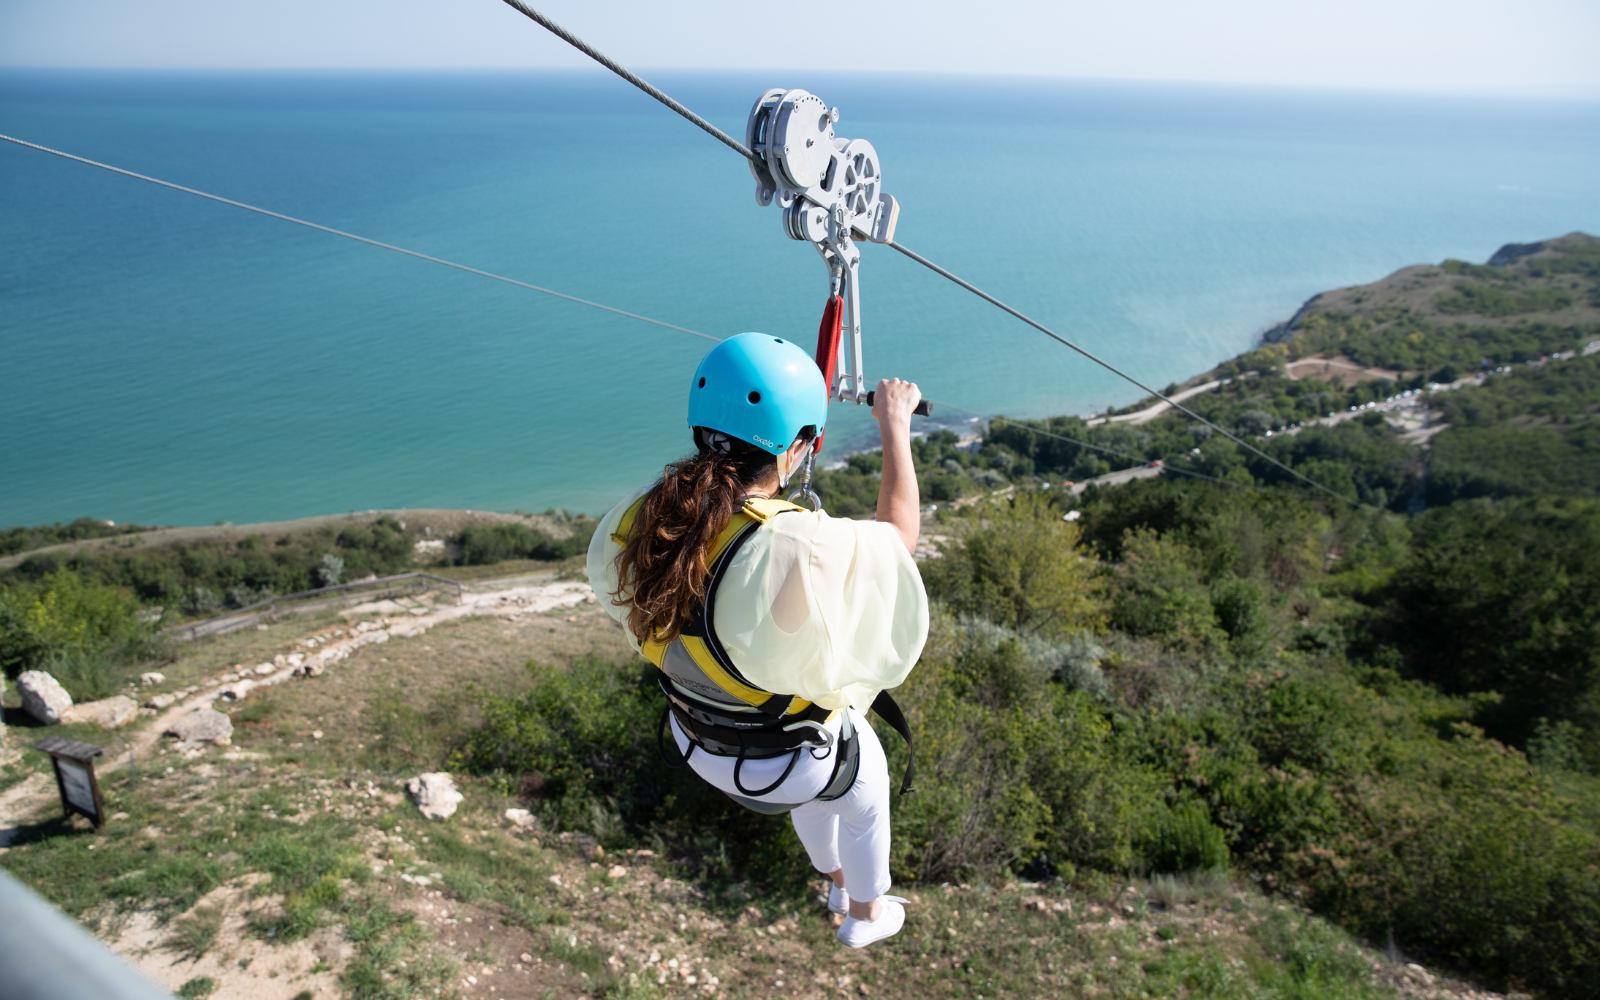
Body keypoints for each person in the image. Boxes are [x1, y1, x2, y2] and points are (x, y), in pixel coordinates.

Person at [587, 332, 929, 948]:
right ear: (797, 450)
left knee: (821, 782)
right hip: (781, 760)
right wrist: (894, 424)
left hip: (698, 741)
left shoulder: (640, 517)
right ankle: (866, 915)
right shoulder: (792, 543)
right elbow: (898, 540)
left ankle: (831, 878)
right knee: (862, 780)